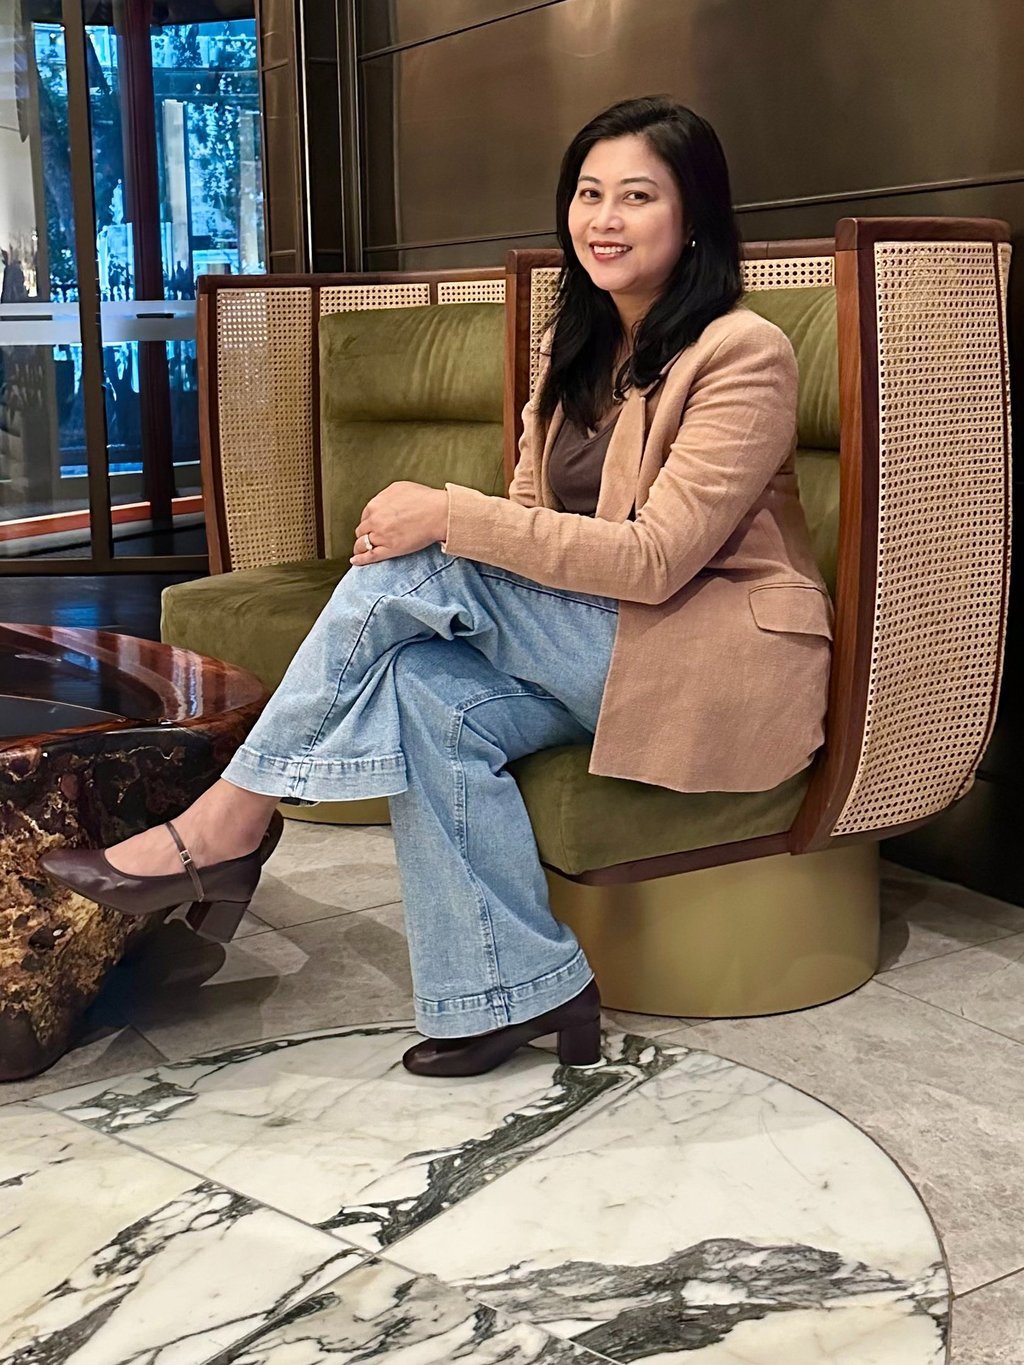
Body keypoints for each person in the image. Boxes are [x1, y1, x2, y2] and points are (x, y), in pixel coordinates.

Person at [41, 96, 831, 1079]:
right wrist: (460, 537)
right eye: (589, 193)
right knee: (427, 692)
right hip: (602, 647)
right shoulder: (580, 350)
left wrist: (449, 518)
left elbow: (657, 558)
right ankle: (520, 987)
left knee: (428, 555)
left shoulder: (743, 351)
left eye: (638, 196)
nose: (605, 219)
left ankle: (229, 820)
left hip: (711, 656)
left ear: (695, 217)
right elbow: (530, 524)